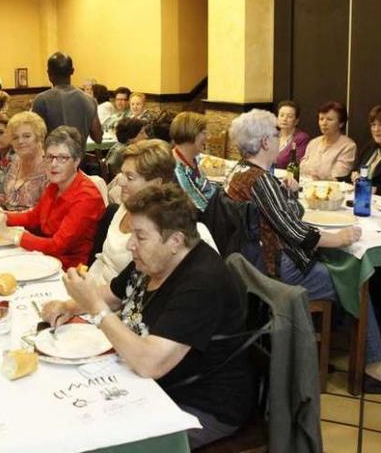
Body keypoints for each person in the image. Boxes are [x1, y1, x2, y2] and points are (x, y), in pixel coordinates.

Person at [43, 184, 256, 448]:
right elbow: (112, 293)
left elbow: (149, 363)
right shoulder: (152, 259)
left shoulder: (202, 282)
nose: (131, 244)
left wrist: (96, 309)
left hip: (200, 405)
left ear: (175, 241)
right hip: (154, 384)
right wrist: (69, 304)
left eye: (140, 236)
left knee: (87, 438)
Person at [227, 109, 381, 394]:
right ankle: (373, 367)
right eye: (276, 135)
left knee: (338, 268)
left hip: (248, 263)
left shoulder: (238, 172)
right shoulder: (262, 181)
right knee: (355, 279)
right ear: (264, 143)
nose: (280, 140)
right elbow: (298, 233)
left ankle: (320, 347)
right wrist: (340, 238)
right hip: (272, 269)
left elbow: (286, 215)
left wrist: (287, 195)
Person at [89, 140, 217, 284]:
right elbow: (103, 258)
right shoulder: (124, 208)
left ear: (157, 183)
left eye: (130, 177)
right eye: (122, 174)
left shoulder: (168, 232)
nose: (120, 182)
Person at [0, 126, 105, 268]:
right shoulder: (55, 185)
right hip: (44, 257)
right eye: (50, 157)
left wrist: (13, 235)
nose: (53, 164)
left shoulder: (86, 197)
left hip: (66, 269)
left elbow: (57, 246)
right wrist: (0, 215)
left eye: (62, 158)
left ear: (76, 161)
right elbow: (34, 217)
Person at [0, 111, 48, 211]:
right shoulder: (16, 163)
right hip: (8, 222)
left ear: (39, 137)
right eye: (15, 137)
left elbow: (42, 214)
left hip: (29, 225)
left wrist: (7, 217)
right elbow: (9, 200)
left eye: (27, 136)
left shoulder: (49, 168)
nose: (20, 141)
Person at [32, 51, 102, 144]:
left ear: (48, 73)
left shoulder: (41, 100)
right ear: (72, 71)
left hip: (52, 157)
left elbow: (35, 136)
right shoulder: (89, 100)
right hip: (78, 157)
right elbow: (98, 137)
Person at [171, 111, 216, 212]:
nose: (207, 137)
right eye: (204, 133)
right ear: (191, 134)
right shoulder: (178, 168)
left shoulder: (192, 158)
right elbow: (201, 207)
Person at [300, 101, 356, 180]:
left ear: (341, 123)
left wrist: (313, 174)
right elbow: (301, 168)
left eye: (329, 119)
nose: (324, 123)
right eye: (321, 119)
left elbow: (338, 175)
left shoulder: (348, 146)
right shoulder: (313, 142)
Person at [274, 100, 310, 169]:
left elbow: (296, 164)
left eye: (289, 116)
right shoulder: (271, 136)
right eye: (281, 115)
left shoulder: (301, 138)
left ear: (296, 121)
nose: (284, 119)